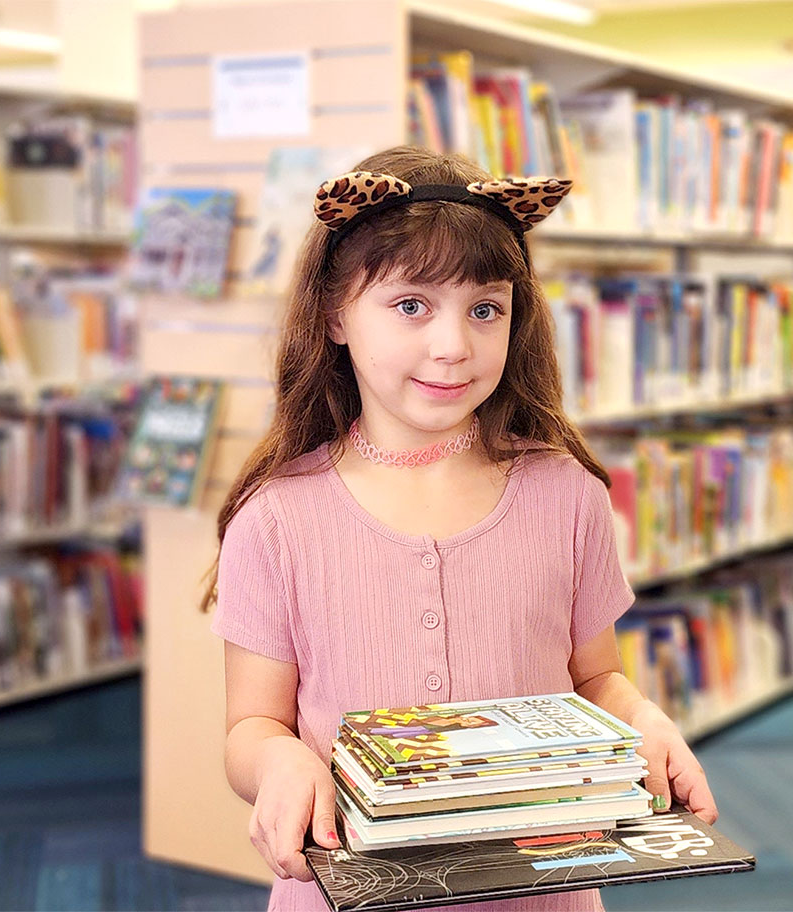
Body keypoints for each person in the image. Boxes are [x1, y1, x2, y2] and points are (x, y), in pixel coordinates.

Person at [206, 146, 719, 911]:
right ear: (335, 314)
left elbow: (594, 679)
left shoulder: (566, 495)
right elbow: (252, 723)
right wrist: (279, 761)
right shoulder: (277, 518)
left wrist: (639, 719)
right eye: (411, 305)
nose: (453, 345)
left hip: (544, 890)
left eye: (484, 309)